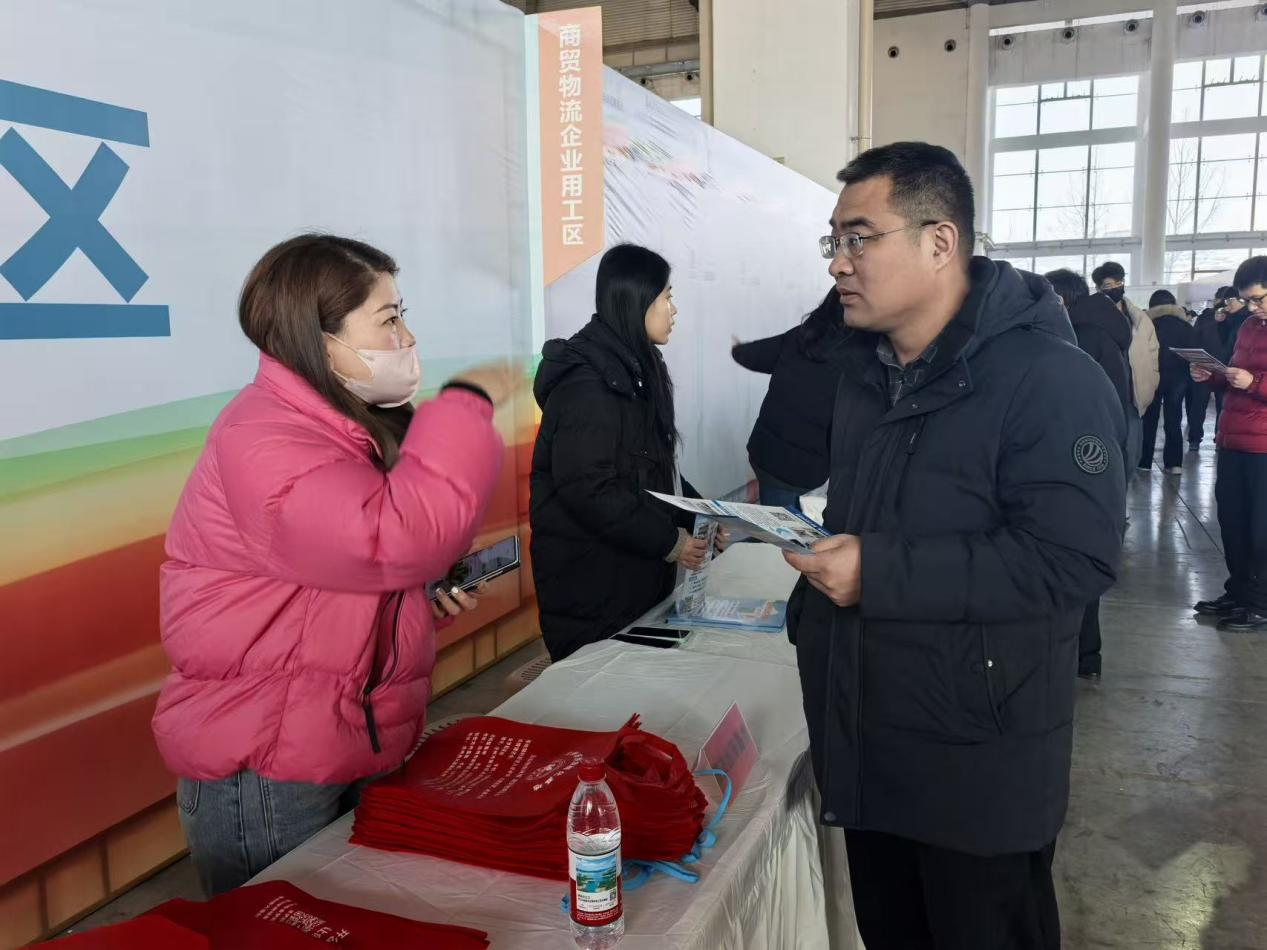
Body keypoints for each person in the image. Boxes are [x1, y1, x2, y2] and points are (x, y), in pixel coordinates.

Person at [785, 142, 1125, 950]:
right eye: (832, 240)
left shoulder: (1048, 380)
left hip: (977, 771)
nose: (838, 262)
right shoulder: (867, 378)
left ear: (939, 242)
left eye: (858, 237)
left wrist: (876, 572)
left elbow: (1072, 558)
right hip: (871, 747)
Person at [151, 234, 511, 896]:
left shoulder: (343, 424)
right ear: (318, 340)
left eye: (403, 315)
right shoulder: (264, 435)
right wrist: (465, 403)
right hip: (268, 761)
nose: (407, 337)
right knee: (276, 929)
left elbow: (345, 574)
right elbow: (389, 541)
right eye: (388, 319)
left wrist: (415, 595)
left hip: (343, 731)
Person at [530, 244, 707, 661]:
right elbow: (590, 489)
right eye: (666, 297)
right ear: (636, 300)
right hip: (593, 589)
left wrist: (702, 517)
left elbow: (655, 470)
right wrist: (669, 540)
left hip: (632, 578)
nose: (673, 310)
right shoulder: (587, 385)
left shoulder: (638, 368)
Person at [1045, 268, 1132, 679]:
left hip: (1075, 462)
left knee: (1072, 558)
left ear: (1060, 301)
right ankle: (1085, 655)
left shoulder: (1076, 341)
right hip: (1094, 463)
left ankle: (1078, 654)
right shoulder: (1099, 334)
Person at [1193, 257, 1267, 632]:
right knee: (1233, 522)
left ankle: (1261, 603)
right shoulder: (1249, 327)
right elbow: (1235, 376)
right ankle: (1238, 593)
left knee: (1261, 530)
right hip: (1232, 438)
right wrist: (1212, 376)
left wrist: (1254, 383)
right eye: (1247, 301)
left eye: (1258, 299)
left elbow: (1252, 380)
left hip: (1263, 448)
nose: (1252, 308)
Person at [730, 288, 850, 509]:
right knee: (783, 526)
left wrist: (738, 349)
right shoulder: (856, 359)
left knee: (775, 513)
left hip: (763, 452)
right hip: (799, 471)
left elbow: (755, 355)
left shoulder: (801, 336)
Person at [1093, 261, 1158, 476]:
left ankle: (1124, 488)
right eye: (1108, 285)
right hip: (1103, 392)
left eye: (1119, 283)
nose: (1115, 288)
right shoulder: (1092, 316)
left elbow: (1152, 353)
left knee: (1131, 450)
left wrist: (1150, 384)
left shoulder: (1139, 318)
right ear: (1099, 288)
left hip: (1133, 394)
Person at [1141, 289, 1197, 475]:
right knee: (1174, 419)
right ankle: (1174, 464)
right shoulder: (1186, 327)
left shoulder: (1148, 326)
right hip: (1179, 378)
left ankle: (1144, 461)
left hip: (1153, 376)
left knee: (1149, 419)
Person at [1189, 286, 1248, 448]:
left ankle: (1195, 439)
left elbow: (1195, 339)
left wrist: (1196, 359)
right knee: (1221, 406)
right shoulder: (1235, 320)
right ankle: (1218, 438)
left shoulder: (1208, 318)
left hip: (1206, 366)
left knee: (1199, 406)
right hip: (1226, 368)